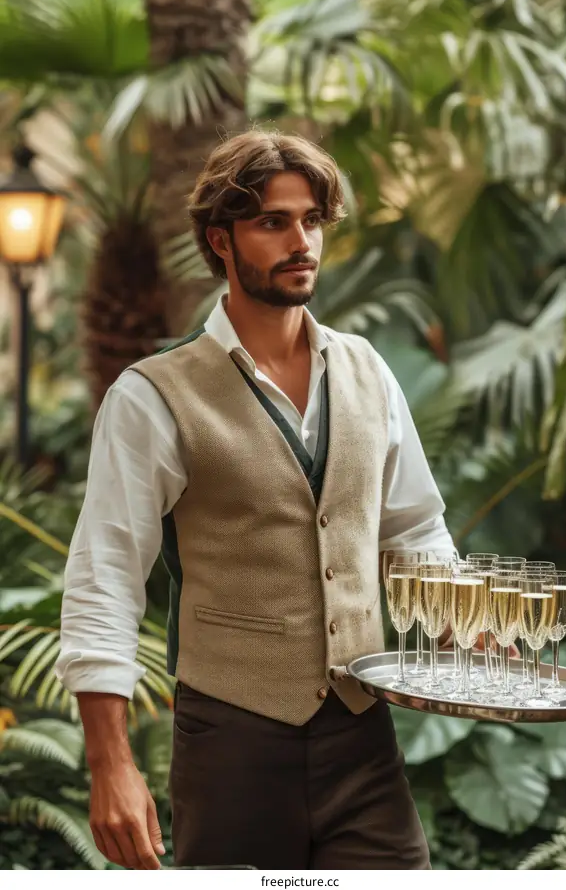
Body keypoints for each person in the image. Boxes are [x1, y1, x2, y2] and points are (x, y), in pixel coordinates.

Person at [56, 129, 456, 871]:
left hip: (364, 736)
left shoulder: (367, 369)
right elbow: (104, 578)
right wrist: (110, 762)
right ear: (221, 240)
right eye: (273, 221)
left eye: (311, 220)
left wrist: (467, 622)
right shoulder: (153, 397)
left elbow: (414, 527)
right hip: (232, 743)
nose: (300, 240)